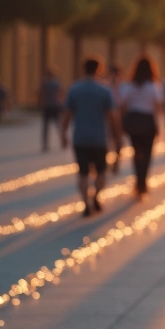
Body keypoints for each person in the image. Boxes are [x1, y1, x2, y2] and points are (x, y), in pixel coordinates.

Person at [61, 57, 120, 217]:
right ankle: (96, 196)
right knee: (101, 172)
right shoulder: (105, 90)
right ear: (99, 69)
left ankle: (85, 202)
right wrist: (116, 136)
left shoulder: (75, 89)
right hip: (99, 138)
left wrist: (63, 133)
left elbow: (67, 114)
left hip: (80, 137)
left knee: (83, 172)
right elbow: (112, 116)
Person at [119, 56, 163, 197]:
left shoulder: (129, 86)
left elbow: (123, 105)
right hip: (148, 120)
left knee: (136, 151)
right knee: (148, 153)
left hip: (133, 120)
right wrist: (157, 125)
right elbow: (157, 108)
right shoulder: (154, 86)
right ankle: (143, 181)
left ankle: (138, 180)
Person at [39, 68, 63, 152]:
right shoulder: (54, 83)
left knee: (51, 126)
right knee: (53, 126)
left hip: (50, 106)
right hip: (51, 106)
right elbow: (59, 94)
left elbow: (40, 94)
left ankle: (46, 144)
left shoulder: (46, 83)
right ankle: (48, 144)